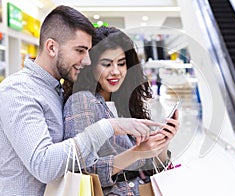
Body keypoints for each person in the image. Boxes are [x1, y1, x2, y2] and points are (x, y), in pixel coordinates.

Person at [0, 6, 160, 195]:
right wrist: (109, 126)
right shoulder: (19, 91)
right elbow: (43, 166)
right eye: (80, 51)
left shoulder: (54, 89)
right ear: (52, 47)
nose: (86, 61)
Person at [63, 26, 179, 195]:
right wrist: (137, 152)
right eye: (106, 64)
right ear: (91, 65)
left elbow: (152, 165)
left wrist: (162, 142)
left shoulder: (125, 102)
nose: (115, 71)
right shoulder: (82, 101)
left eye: (122, 63)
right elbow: (81, 169)